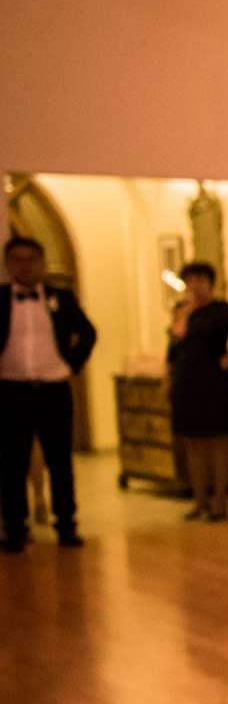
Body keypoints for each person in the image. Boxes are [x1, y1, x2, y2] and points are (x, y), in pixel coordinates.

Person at [1, 235, 97, 552]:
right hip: (12, 389)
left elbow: (87, 333)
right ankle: (16, 528)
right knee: (13, 462)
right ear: (9, 264)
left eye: (32, 259)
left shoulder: (61, 298)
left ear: (41, 264)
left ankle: (66, 524)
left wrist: (71, 366)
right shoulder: (2, 300)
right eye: (19, 259)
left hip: (53, 389)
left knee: (60, 460)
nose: (26, 266)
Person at [166, 262, 228, 523]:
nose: (196, 286)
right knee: (192, 441)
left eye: (201, 280)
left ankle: (220, 499)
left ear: (210, 283)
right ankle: (199, 499)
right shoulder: (181, 313)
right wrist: (169, 377)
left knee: (218, 440)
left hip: (213, 380)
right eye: (191, 281)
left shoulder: (220, 311)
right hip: (186, 380)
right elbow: (172, 348)